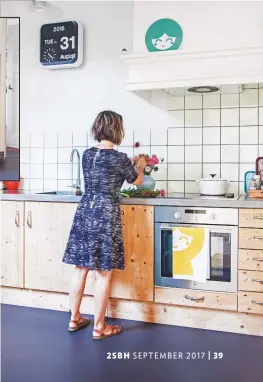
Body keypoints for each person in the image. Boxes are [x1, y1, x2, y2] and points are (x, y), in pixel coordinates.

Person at [62, 110, 147, 340]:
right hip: (105, 213)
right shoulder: (119, 158)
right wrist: (140, 164)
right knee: (103, 271)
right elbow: (136, 181)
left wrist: (128, 164)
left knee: (80, 267)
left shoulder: (88, 155)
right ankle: (99, 327)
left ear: (98, 128)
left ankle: (74, 318)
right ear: (117, 130)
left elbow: (103, 171)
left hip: (85, 209)